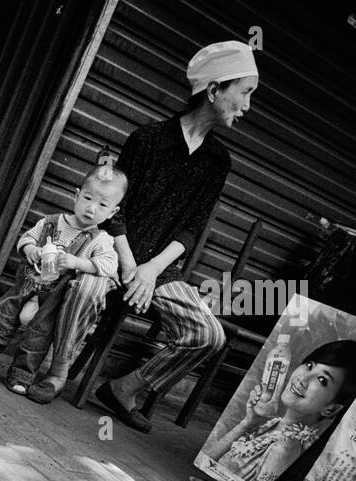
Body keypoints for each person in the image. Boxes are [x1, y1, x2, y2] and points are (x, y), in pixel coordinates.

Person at [88, 40, 260, 433]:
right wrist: (132, 265)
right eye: (245, 93)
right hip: (115, 254)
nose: (247, 106)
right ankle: (53, 371)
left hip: (161, 271)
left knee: (208, 334)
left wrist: (151, 271)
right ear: (214, 89)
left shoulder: (218, 161)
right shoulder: (147, 140)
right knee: (82, 290)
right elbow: (117, 208)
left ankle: (124, 389)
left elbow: (191, 227)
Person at [0, 166, 125, 403]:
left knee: (38, 335)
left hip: (52, 299)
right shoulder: (51, 222)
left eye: (102, 205)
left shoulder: (101, 240)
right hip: (26, 287)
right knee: (1, 316)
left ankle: (21, 375)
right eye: (87, 198)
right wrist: (30, 249)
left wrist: (78, 262)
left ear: (113, 211)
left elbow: (109, 266)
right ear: (76, 195)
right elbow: (26, 238)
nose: (91, 208)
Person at [202, 340, 356, 481]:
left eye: (322, 380)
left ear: (330, 409)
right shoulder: (274, 425)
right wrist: (248, 422)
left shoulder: (285, 447)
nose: (303, 378)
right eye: (309, 365)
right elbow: (205, 464)